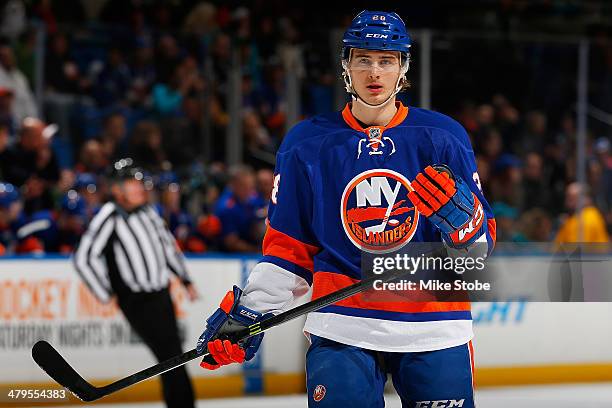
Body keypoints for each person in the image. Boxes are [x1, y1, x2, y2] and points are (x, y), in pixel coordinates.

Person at [196, 11, 496, 408]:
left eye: (387, 60)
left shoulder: (443, 137)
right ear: (346, 66)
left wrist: (464, 224)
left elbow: (478, 252)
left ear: (403, 67)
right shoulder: (306, 142)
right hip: (343, 328)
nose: (375, 71)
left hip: (435, 327)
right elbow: (289, 250)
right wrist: (249, 313)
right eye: (364, 59)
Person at [73, 158, 197, 408]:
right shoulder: (110, 216)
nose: (141, 187)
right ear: (117, 189)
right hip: (138, 301)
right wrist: (106, 293)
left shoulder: (148, 212)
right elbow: (83, 258)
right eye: (133, 183)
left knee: (172, 355)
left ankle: (182, 403)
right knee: (170, 356)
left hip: (161, 294)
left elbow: (167, 248)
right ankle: (183, 404)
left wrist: (184, 278)